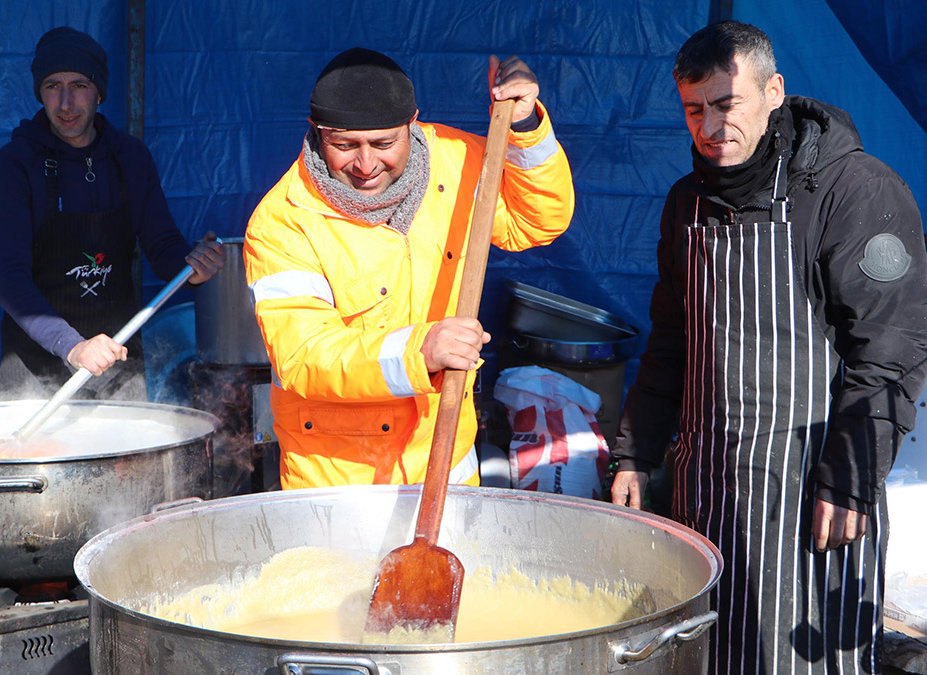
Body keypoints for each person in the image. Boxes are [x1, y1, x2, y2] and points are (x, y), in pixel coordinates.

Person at [610, 21, 927, 674]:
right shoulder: (686, 205)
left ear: (774, 91)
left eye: (728, 104)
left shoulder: (853, 192)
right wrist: (635, 453)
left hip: (811, 489)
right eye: (695, 109)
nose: (710, 125)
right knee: (709, 654)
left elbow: (891, 349)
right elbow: (671, 341)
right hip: (706, 492)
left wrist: (852, 475)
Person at [244, 48, 575, 490]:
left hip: (445, 464)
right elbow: (303, 356)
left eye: (384, 144)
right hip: (339, 480)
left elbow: (535, 221)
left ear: (412, 124)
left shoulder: (457, 161)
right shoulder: (282, 221)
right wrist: (420, 351)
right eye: (344, 145)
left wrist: (526, 127)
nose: (365, 165)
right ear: (318, 133)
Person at [0, 27, 224, 400]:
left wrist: (192, 267)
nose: (66, 103)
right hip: (36, 361)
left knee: (124, 459)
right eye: (53, 86)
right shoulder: (15, 164)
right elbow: (8, 279)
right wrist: (72, 345)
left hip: (118, 355)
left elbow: (163, 246)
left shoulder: (131, 157)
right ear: (39, 92)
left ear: (99, 92)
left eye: (79, 85)